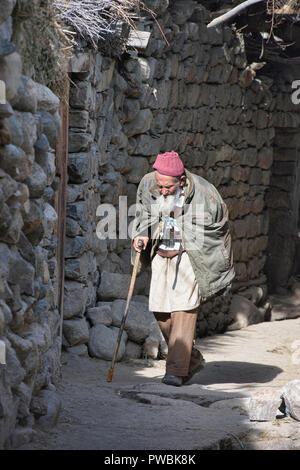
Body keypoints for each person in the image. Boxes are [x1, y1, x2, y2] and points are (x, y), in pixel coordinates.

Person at [132, 150, 235, 386]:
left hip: (190, 255)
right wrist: (141, 233)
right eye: (160, 186)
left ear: (181, 181)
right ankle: (192, 359)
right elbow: (142, 212)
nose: (163, 190)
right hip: (160, 253)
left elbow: (220, 227)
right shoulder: (149, 184)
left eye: (168, 187)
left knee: (184, 310)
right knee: (160, 310)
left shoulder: (205, 193)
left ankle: (176, 371)